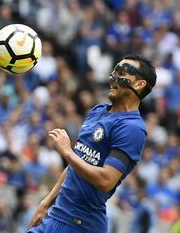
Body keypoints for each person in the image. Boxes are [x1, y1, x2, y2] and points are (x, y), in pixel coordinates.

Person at [28, 55, 157, 233]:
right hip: (56, 216)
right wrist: (46, 201)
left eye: (121, 73)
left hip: (81, 224)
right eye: (113, 72)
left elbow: (105, 180)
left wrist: (67, 152)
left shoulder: (132, 128)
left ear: (139, 84)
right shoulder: (98, 111)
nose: (112, 77)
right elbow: (76, 163)